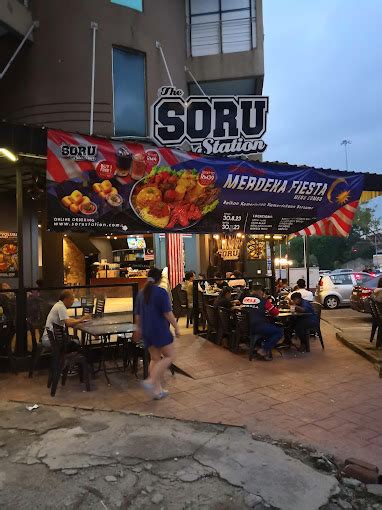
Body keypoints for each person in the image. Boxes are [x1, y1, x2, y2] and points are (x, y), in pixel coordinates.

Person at [134, 267, 180, 400]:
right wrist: (176, 327)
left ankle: (157, 391)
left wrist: (138, 329)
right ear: (160, 279)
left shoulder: (141, 293)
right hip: (159, 330)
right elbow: (167, 313)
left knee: (155, 359)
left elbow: (137, 315)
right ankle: (151, 380)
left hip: (147, 331)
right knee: (169, 357)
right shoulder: (161, 292)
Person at [246, 285, 283, 361]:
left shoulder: (245, 299)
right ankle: (264, 349)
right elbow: (275, 313)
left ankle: (258, 346)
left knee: (269, 327)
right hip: (257, 326)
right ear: (260, 291)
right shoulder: (263, 300)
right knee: (279, 331)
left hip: (246, 327)